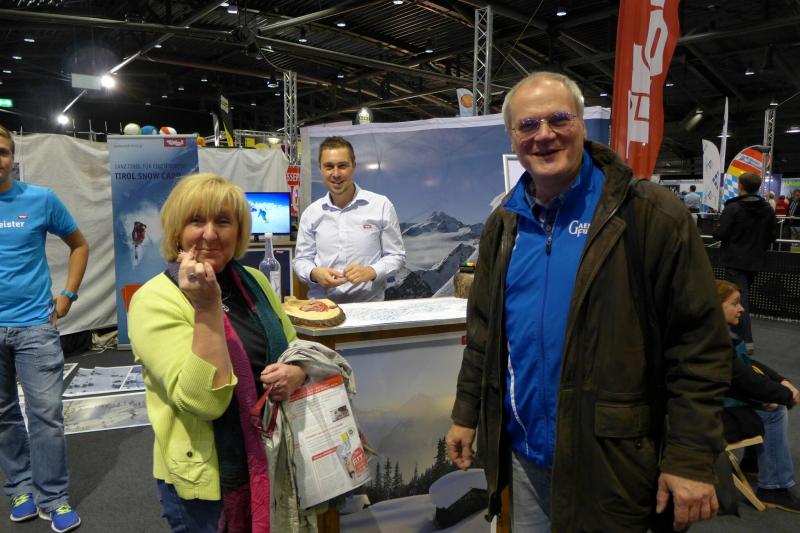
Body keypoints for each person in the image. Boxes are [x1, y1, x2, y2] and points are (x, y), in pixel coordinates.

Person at [445, 72, 732, 532]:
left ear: (581, 124)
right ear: (512, 138)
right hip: (524, 458)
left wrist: (691, 456)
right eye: (528, 125)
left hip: (612, 463)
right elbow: (483, 335)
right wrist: (465, 414)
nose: (544, 135)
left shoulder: (648, 216)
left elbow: (699, 346)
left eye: (558, 119)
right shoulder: (504, 226)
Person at [128, 173, 306, 532]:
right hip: (207, 485)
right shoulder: (154, 300)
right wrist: (207, 307)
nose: (210, 234)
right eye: (197, 220)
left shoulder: (255, 282)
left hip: (272, 460)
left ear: (238, 232)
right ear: (177, 230)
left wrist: (296, 372)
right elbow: (203, 402)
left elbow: (292, 347)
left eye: (223, 221)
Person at [0, 125, 88, 532]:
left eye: (2, 151)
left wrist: (67, 294)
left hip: (35, 325)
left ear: (11, 157)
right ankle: (20, 489)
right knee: (3, 415)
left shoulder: (40, 199)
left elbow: (79, 244)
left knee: (47, 415)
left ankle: (53, 497)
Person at [717, 279, 800, 513]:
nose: (741, 308)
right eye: (735, 303)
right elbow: (746, 380)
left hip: (705, 409)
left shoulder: (712, 334)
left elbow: (748, 366)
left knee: (764, 402)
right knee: (774, 411)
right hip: (704, 420)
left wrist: (779, 379)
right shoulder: (716, 343)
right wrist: (786, 395)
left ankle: (753, 463)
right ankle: (774, 488)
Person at [293, 136, 405, 303]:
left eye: (342, 166)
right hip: (323, 307)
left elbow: (396, 256)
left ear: (354, 166)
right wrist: (314, 273)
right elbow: (301, 260)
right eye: (329, 166)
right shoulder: (311, 213)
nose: (336, 174)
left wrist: (372, 271)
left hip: (369, 307)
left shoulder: (381, 205)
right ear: (320, 169)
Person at [712, 172, 778, 352]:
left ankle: (745, 342)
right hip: (755, 261)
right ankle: (735, 337)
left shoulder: (733, 207)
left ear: (740, 186)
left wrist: (717, 228)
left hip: (734, 260)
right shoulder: (767, 209)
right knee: (741, 298)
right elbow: (773, 235)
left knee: (739, 300)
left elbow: (720, 233)